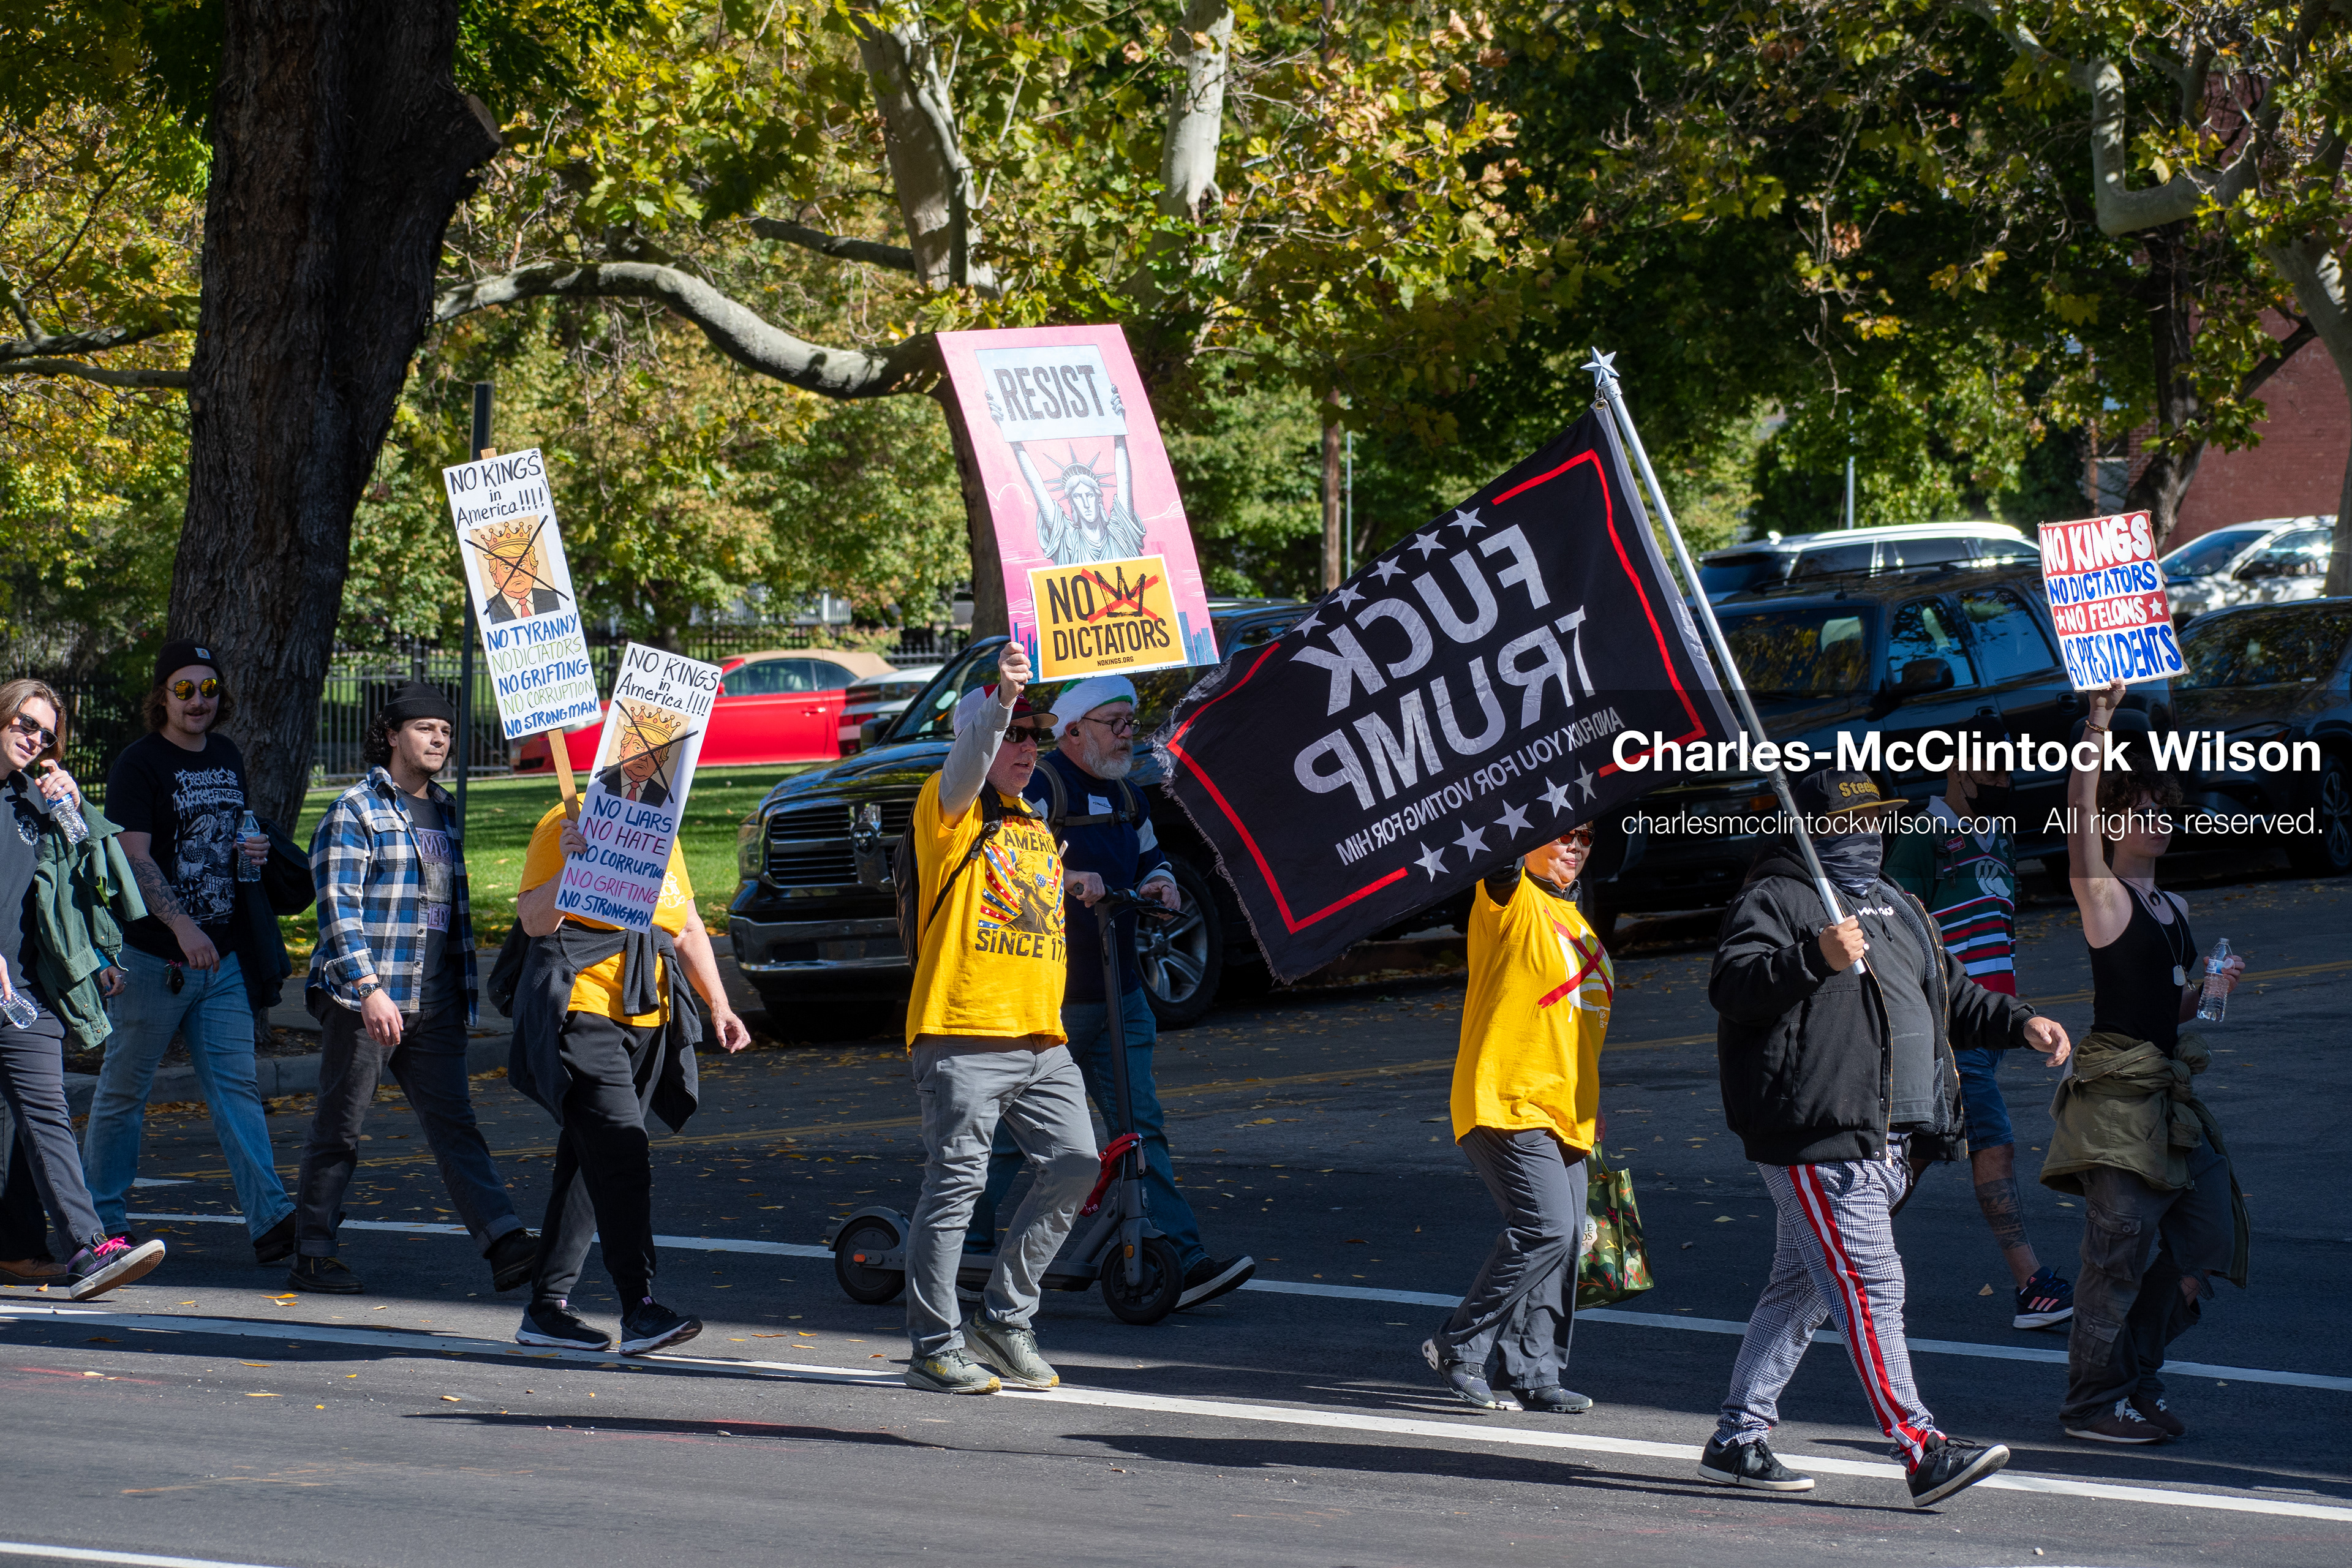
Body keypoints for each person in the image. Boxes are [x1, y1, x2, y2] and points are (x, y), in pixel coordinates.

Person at [1699, 768, 2070, 1509]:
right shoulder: (1780, 896)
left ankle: (1737, 1437)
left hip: (1896, 1137)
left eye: (1876, 820)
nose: (1864, 834)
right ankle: (1921, 1448)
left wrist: (2019, 1020)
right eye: (1847, 823)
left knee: (1800, 1287)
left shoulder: (1898, 904)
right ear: (1812, 829)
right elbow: (1734, 986)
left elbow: (1954, 993)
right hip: (1817, 1129)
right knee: (1872, 1285)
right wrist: (1815, 958)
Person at [963, 673, 1254, 1311]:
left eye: (1130, 720)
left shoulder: (1128, 794)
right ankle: (965, 1241)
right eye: (1115, 722)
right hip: (1054, 998)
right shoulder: (1038, 785)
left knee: (1141, 1127)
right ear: (1072, 731)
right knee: (1016, 1133)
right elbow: (1008, 862)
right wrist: (1067, 877)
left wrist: (1163, 884)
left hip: (1122, 992)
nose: (1129, 733)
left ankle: (1181, 1252)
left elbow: (1151, 857)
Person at [2048, 681, 2247, 1446]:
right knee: (2117, 1258)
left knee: (2208, 1240)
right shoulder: (2104, 895)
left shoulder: (2176, 910)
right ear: (2111, 822)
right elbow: (2076, 819)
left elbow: (2169, 1006)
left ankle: (2136, 1375)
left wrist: (2208, 993)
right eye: (2139, 810)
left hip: (2168, 1100)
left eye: (2165, 809)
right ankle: (2093, 1404)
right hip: (2118, 1105)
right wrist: (2098, 723)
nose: (2157, 822)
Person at [899, 643, 1101, 1396]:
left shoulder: (1029, 822)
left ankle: (1006, 1318)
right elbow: (972, 754)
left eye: (1035, 735)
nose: (1025, 746)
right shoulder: (946, 805)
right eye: (1015, 733)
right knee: (956, 1186)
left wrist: (1074, 876)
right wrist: (1001, 701)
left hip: (1040, 1038)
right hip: (963, 1032)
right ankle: (934, 1343)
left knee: (1078, 1163)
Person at [288, 683, 535, 1294]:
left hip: (436, 1001)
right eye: (425, 728)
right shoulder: (356, 810)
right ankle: (312, 1249)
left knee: (457, 1125)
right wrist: (369, 989)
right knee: (340, 1127)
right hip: (365, 1000)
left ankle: (505, 1242)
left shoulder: (445, 809)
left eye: (446, 732)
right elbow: (337, 911)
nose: (439, 740)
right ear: (393, 735)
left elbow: (446, 914)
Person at [508, 771, 752, 1354]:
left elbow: (686, 922)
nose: (651, 774)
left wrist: (720, 1004)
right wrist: (572, 864)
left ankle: (545, 1308)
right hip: (583, 1007)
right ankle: (639, 1307)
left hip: (648, 1014)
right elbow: (533, 922)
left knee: (590, 1159)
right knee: (622, 1151)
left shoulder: (664, 833)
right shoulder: (563, 821)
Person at [81, 641, 296, 1262]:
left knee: (237, 1088)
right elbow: (135, 854)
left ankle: (273, 1220)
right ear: (162, 697)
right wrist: (182, 928)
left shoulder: (227, 754)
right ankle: (102, 1223)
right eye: (184, 689)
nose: (198, 700)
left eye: (208, 689)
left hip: (223, 958)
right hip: (157, 959)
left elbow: (231, 832)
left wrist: (250, 851)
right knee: (125, 1091)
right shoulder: (140, 763)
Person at [1421, 825, 1610, 1415]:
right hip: (1506, 1099)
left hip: (1567, 1112)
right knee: (1547, 1227)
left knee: (1568, 1239)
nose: (1575, 847)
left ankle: (1535, 1371)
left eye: (1586, 838)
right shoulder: (1509, 898)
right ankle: (1460, 1346)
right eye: (1562, 836)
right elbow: (1498, 858)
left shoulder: (1574, 917)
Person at [1885, 744, 2075, 1330]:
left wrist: (2013, 1014)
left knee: (1917, 1153)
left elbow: (2000, 929)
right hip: (1949, 1024)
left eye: (2007, 770)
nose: (2002, 780)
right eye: (1989, 769)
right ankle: (2031, 1283)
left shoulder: (1998, 834)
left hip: (1990, 1022)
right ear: (1956, 771)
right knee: (1994, 1142)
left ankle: (1833, 1262)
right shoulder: (1924, 834)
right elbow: (1895, 923)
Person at [0, 678, 167, 1298]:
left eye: (46, 732)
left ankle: (88, 1247)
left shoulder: (35, 799)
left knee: (43, 1113)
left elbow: (82, 886)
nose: (35, 737)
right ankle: (16, 1247)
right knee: (14, 1125)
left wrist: (74, 807)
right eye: (25, 722)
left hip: (25, 993)